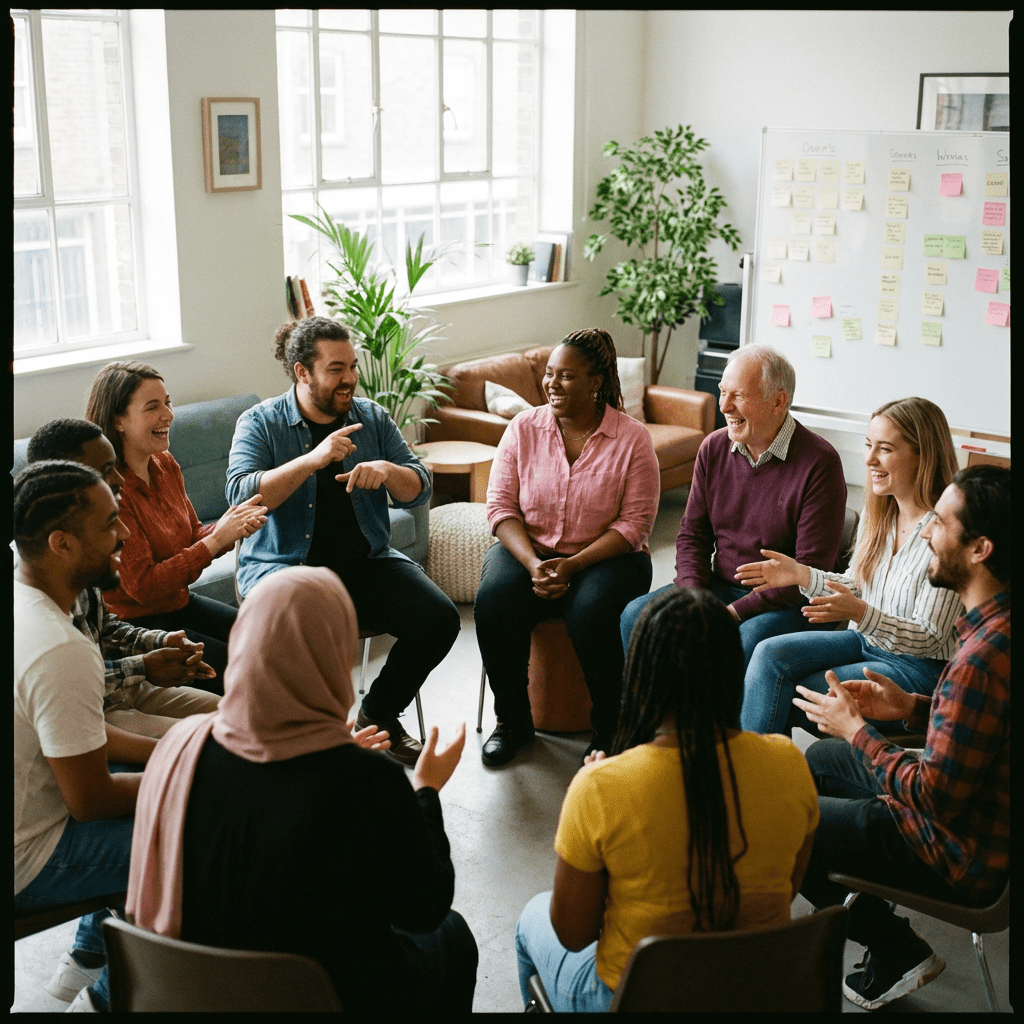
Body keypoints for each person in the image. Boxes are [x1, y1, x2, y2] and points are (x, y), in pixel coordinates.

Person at [126, 566, 478, 1015]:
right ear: (334, 654)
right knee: (453, 935)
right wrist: (426, 787)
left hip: (192, 990)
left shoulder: (180, 745)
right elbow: (424, 908)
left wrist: (334, 752)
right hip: (318, 996)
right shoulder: (364, 781)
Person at [515, 587, 819, 1012]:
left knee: (531, 919)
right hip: (756, 994)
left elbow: (573, 934)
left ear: (640, 678)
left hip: (637, 1001)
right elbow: (785, 892)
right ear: (734, 669)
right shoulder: (789, 763)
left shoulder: (601, 787)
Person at [793, 466, 1010, 1011]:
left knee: (789, 819)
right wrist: (913, 706)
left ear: (980, 548)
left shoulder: (980, 661)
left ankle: (893, 946)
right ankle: (886, 934)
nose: (926, 533)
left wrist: (860, 730)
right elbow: (983, 730)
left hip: (960, 855)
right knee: (820, 758)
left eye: (939, 522)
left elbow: (934, 794)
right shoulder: (997, 628)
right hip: (977, 819)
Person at [225, 317, 461, 766]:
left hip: (364, 563)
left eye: (352, 366)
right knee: (301, 644)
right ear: (302, 372)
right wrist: (312, 460)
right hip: (285, 571)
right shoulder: (260, 423)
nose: (350, 378)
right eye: (336, 369)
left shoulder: (371, 417)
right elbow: (242, 495)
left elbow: (421, 486)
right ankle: (312, 752)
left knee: (439, 618)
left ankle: (377, 717)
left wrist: (391, 473)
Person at [475, 328, 661, 766]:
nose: (552, 385)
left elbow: (635, 525)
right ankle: (513, 722)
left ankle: (610, 729)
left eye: (567, 376)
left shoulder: (633, 439)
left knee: (591, 613)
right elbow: (500, 507)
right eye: (550, 374)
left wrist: (573, 565)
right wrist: (532, 563)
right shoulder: (524, 428)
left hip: (609, 556)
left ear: (596, 382)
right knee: (495, 601)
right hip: (529, 548)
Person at [14, 461, 158, 1013]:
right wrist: (188, 777)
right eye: (111, 523)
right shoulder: (60, 647)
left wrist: (176, 749)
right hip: (28, 856)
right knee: (190, 832)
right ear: (62, 544)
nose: (125, 534)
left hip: (34, 805)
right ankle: (110, 996)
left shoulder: (22, 592)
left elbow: (81, 739)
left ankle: (81, 971)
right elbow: (91, 800)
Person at [738, 397, 963, 736]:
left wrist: (859, 611)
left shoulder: (946, 531)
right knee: (769, 654)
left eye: (884, 449)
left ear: (923, 456)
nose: (869, 459)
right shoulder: (882, 513)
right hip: (866, 642)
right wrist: (801, 574)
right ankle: (757, 771)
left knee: (795, 693)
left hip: (919, 670)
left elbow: (930, 639)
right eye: (869, 445)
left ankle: (758, 777)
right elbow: (856, 583)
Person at [619, 344, 847, 666]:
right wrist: (696, 599)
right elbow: (692, 536)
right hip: (719, 588)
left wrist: (734, 613)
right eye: (722, 392)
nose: (724, 406)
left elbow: (810, 573)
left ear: (778, 401)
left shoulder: (820, 464)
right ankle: (659, 715)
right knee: (636, 616)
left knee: (741, 642)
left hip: (786, 602)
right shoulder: (713, 447)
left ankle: (715, 718)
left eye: (737, 396)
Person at [27, 418, 222, 737]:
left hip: (127, 689)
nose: (119, 478)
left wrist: (157, 641)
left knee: (236, 716)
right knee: (213, 741)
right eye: (106, 471)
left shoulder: (89, 541)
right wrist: (145, 666)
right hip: (91, 711)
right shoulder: (33, 585)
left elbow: (105, 629)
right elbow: (66, 684)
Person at [86, 361, 268, 685]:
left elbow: (192, 534)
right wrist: (215, 540)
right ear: (119, 420)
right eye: (153, 407)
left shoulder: (164, 463)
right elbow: (144, 586)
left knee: (266, 642)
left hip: (179, 602)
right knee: (246, 673)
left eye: (168, 403)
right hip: (139, 623)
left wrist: (230, 525)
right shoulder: (112, 490)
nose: (168, 415)